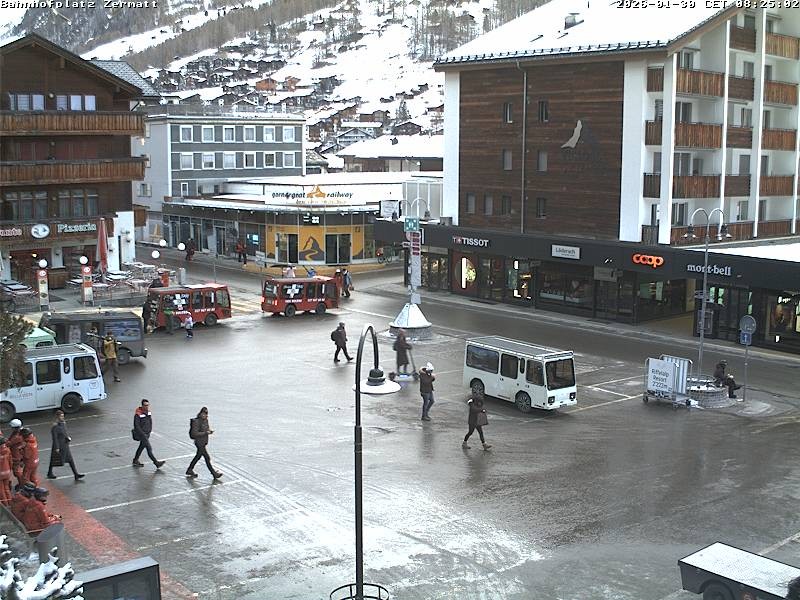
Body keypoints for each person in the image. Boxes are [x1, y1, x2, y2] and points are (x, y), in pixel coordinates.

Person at [47, 409, 85, 481]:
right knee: (54, 459)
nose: (62, 417)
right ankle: (49, 473)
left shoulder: (63, 423)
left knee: (70, 459)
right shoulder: (55, 427)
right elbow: (55, 438)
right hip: (60, 446)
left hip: (65, 445)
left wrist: (67, 438)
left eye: (63, 416)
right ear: (57, 417)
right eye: (61, 416)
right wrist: (57, 447)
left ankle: (76, 474)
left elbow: (65, 433)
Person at [186, 407, 222, 480]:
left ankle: (189, 469)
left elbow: (206, 429)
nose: (205, 415)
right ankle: (214, 473)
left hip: (203, 442)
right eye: (203, 413)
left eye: (206, 414)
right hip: (199, 443)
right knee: (207, 458)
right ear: (200, 413)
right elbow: (194, 433)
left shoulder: (205, 420)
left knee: (198, 456)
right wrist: (206, 433)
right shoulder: (196, 422)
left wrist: (209, 431)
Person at [132, 399, 165, 470]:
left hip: (147, 434)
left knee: (141, 447)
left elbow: (150, 421)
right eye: (145, 405)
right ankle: (156, 462)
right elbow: (136, 426)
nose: (147, 407)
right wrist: (143, 434)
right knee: (149, 449)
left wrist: (149, 431)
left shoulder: (149, 412)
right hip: (142, 435)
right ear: (142, 405)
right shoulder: (138, 414)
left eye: (147, 405)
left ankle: (135, 460)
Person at [7, 419, 25, 489]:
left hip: (16, 456)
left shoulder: (17, 436)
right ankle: (21, 484)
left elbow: (9, 443)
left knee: (17, 472)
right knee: (17, 471)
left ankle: (22, 485)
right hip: (18, 455)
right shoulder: (18, 433)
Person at [0, 437, 13, 505]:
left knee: (1, 490)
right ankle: (10, 502)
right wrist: (9, 469)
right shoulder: (8, 450)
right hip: (7, 472)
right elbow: (11, 462)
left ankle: (5, 505)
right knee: (7, 488)